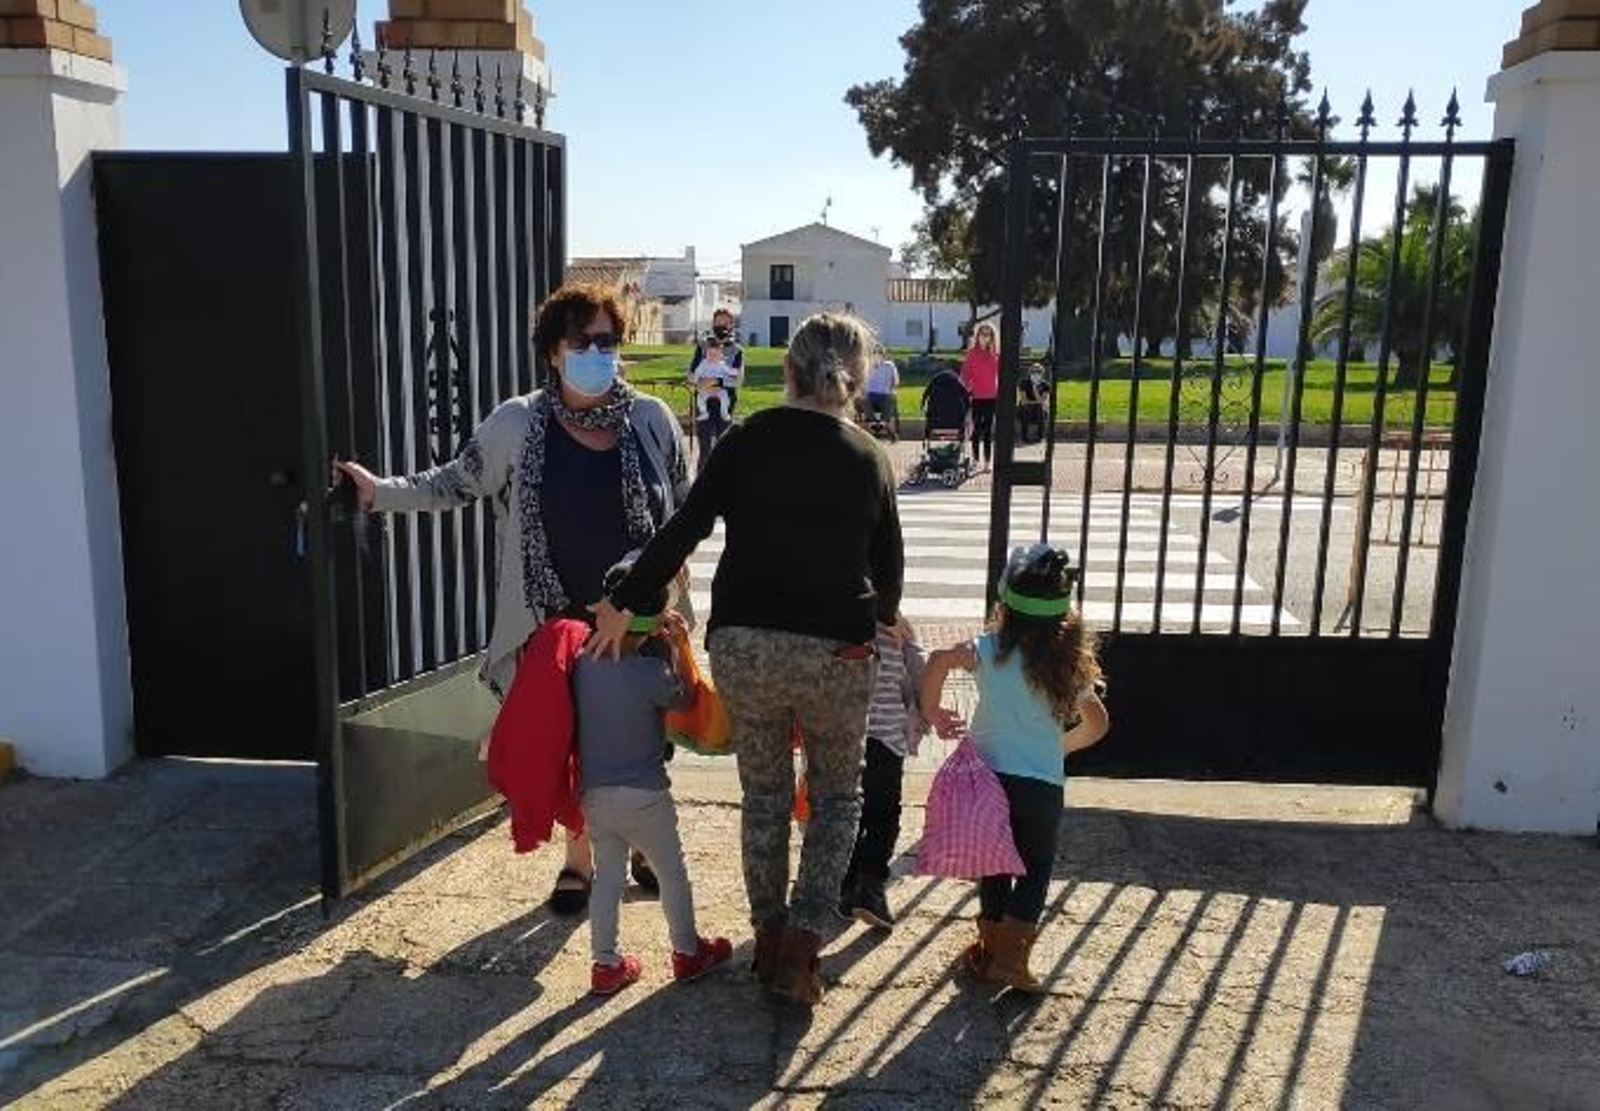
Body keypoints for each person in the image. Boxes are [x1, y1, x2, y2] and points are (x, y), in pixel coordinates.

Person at [334, 283, 693, 919]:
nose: (597, 353)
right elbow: (453, 482)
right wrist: (377, 492)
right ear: (554, 351)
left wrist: (659, 588)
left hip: (639, 614)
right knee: (574, 740)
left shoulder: (651, 420)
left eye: (608, 342)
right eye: (582, 342)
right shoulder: (518, 422)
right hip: (550, 614)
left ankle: (639, 844)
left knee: (644, 738)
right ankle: (580, 860)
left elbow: (686, 511)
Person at [589, 311, 905, 1007]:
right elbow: (890, 577)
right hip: (838, 652)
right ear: (854, 379)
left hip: (747, 643)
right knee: (836, 796)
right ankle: (803, 943)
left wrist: (627, 602)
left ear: (787, 372)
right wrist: (882, 623)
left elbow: (685, 526)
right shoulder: (870, 456)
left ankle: (766, 936)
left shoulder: (745, 439)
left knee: (763, 793)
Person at [918, 543, 1110, 992]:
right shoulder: (1068, 666)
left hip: (988, 780)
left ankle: (989, 950)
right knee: (1035, 866)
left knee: (995, 863)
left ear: (1004, 604)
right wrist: (1059, 748)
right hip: (1042, 785)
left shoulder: (988, 650)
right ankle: (1011, 958)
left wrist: (933, 709)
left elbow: (939, 659)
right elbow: (1099, 723)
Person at [575, 561, 734, 995]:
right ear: (655, 622)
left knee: (608, 876)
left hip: (594, 793)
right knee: (671, 872)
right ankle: (687, 952)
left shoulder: (581, 665)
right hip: (646, 794)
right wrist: (680, 644)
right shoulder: (651, 674)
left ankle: (605, 964)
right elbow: (685, 697)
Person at [838, 619, 926, 929]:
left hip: (845, 738)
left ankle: (845, 884)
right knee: (883, 815)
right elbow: (920, 673)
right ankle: (871, 885)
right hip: (887, 740)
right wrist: (924, 717)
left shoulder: (837, 619)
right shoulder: (896, 628)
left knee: (848, 811)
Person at [690, 307, 746, 414]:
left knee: (725, 430)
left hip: (726, 400)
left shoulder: (737, 350)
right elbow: (691, 374)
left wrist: (718, 382)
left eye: (725, 322)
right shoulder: (702, 346)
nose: (722, 325)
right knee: (704, 428)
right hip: (703, 398)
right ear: (713, 324)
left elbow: (738, 381)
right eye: (718, 322)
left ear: (731, 325)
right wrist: (701, 382)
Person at [960, 322, 1001, 466]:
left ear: (992, 337)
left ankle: (987, 461)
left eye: (988, 334)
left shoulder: (995, 355)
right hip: (976, 397)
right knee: (976, 429)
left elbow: (1001, 375)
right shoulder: (971, 354)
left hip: (991, 397)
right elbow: (965, 374)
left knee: (988, 431)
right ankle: (976, 459)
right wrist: (967, 388)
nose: (985, 337)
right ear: (977, 336)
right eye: (982, 334)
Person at [693, 337, 734, 476]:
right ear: (706, 353)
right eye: (710, 354)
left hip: (719, 391)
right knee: (701, 399)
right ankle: (703, 412)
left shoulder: (722, 364)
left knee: (725, 398)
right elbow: (695, 375)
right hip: (705, 390)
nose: (712, 357)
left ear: (720, 355)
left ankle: (724, 412)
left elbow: (732, 375)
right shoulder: (704, 363)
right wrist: (700, 381)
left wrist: (732, 374)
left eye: (715, 355)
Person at [863, 347, 901, 441]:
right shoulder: (866, 366)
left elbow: (895, 382)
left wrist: (892, 390)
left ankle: (883, 422)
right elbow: (861, 381)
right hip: (870, 394)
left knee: (890, 398)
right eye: (875, 354)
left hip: (885, 394)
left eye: (879, 354)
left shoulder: (889, 366)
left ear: (883, 356)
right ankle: (874, 422)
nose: (877, 356)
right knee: (864, 399)